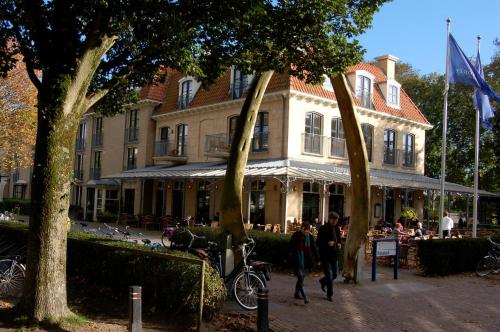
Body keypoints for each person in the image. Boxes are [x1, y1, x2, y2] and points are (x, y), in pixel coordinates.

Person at [288, 221, 318, 304]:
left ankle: (296, 293)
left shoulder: (310, 237)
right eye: (306, 230)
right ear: (302, 228)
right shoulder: (296, 236)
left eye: (308, 230)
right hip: (297, 260)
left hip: (305, 261)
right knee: (301, 277)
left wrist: (317, 259)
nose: (307, 232)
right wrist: (289, 257)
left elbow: (314, 248)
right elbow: (290, 247)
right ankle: (305, 297)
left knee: (301, 278)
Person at [317, 212, 341, 302]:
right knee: (330, 275)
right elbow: (318, 242)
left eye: (336, 220)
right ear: (330, 219)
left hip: (334, 255)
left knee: (334, 274)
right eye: (333, 220)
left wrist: (339, 244)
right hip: (325, 255)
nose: (335, 222)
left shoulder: (337, 229)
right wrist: (327, 243)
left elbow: (338, 239)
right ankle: (329, 295)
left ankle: (323, 281)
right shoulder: (323, 228)